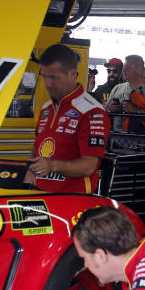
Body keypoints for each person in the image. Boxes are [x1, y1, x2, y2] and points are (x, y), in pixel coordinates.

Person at [25, 44, 109, 193]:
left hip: (73, 200)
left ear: (72, 74)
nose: (47, 84)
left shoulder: (92, 111)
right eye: (44, 77)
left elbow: (89, 166)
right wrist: (29, 170)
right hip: (39, 196)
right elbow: (36, 147)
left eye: (54, 78)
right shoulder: (46, 108)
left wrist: (52, 166)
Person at [106, 55, 145, 149]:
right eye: (124, 68)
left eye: (128, 68)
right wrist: (110, 109)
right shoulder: (117, 88)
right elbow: (105, 115)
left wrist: (137, 111)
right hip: (117, 144)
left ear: (139, 70)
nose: (124, 70)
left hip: (143, 147)